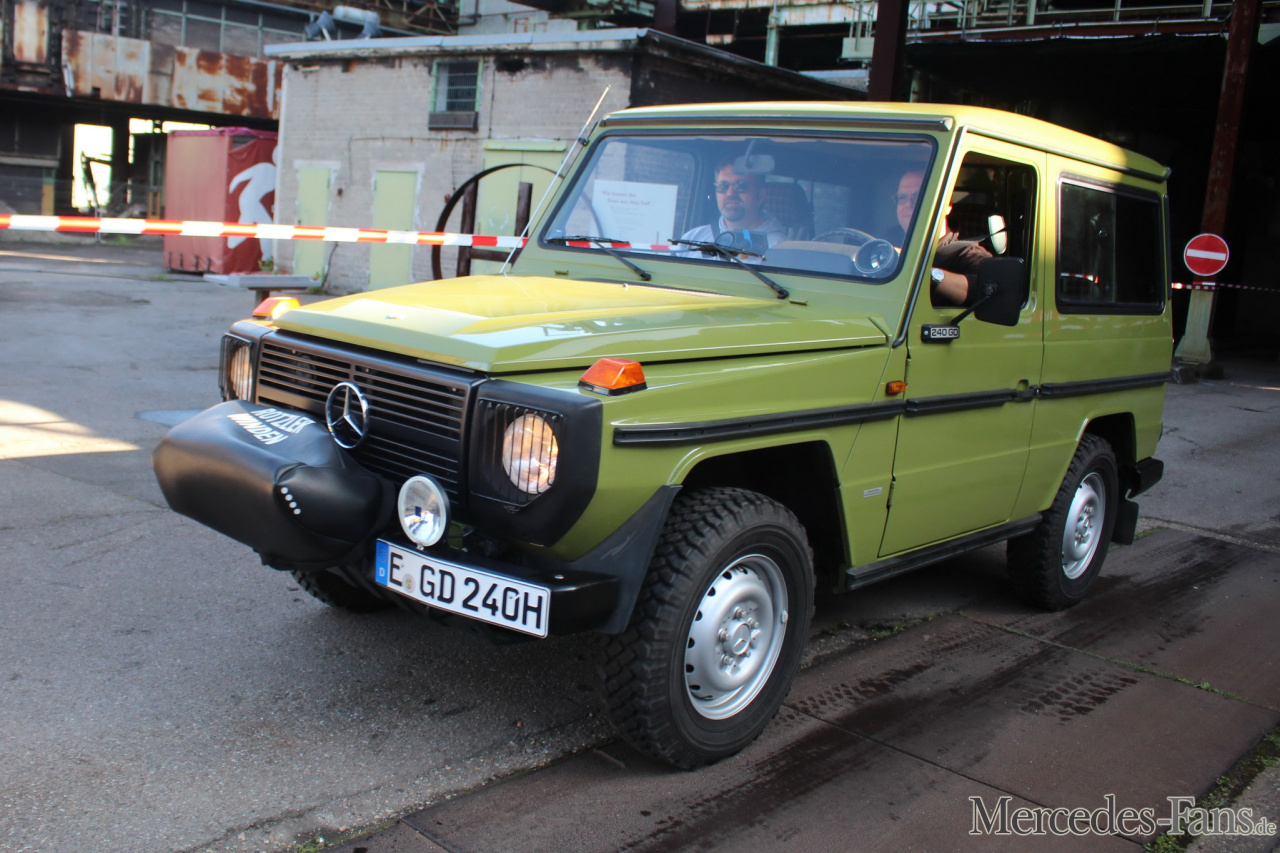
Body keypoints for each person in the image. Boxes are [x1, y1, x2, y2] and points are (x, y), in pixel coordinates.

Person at [896, 170, 992, 306]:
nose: (908, 204)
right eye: (902, 197)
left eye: (918, 196)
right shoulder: (886, 245)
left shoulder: (968, 253)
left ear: (947, 205)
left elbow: (984, 291)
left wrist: (921, 271)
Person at [681, 159, 787, 255]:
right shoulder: (692, 240)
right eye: (723, 186)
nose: (730, 193)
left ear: (760, 195)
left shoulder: (778, 247)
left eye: (741, 186)